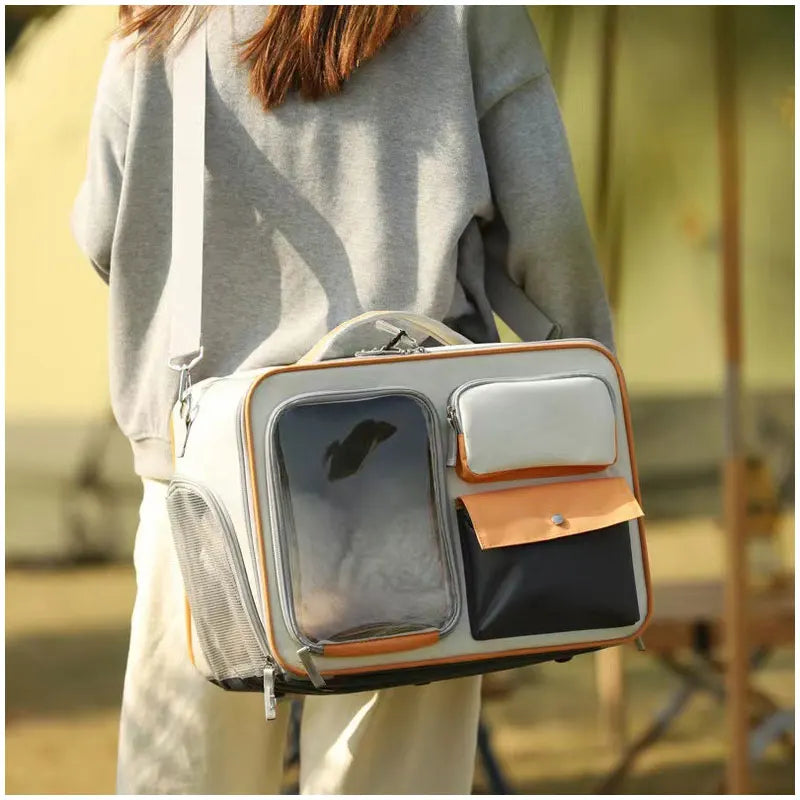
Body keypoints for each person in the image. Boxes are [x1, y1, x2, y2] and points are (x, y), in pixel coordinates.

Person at [72, 5, 614, 794]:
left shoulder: (163, 22)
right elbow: (550, 239)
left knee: (186, 782)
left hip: (200, 487)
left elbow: (103, 236)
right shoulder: (465, 14)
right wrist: (586, 398)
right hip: (412, 471)